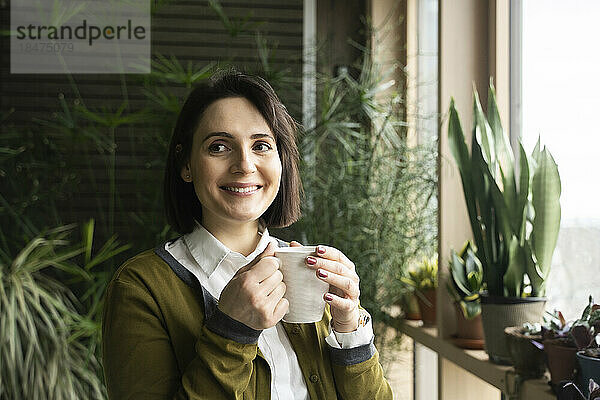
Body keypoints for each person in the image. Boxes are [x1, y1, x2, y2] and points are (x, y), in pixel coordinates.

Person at [102, 71, 393, 399]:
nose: (244, 164)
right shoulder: (141, 288)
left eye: (261, 146)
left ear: (281, 161)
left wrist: (349, 326)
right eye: (219, 146)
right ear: (186, 164)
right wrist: (230, 331)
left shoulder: (309, 270)